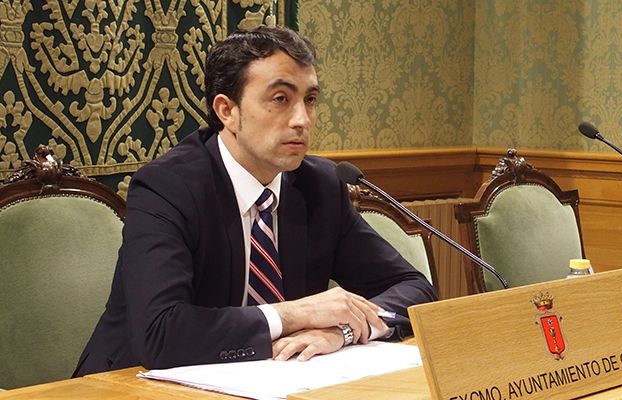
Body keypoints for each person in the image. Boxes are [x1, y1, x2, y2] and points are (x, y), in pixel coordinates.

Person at [73, 25, 436, 376]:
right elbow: (161, 332)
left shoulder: (320, 186)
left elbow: (415, 289)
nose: (302, 120)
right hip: (131, 383)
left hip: (269, 381)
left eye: (310, 100)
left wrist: (342, 331)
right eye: (280, 99)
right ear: (226, 111)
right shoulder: (168, 188)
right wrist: (294, 315)